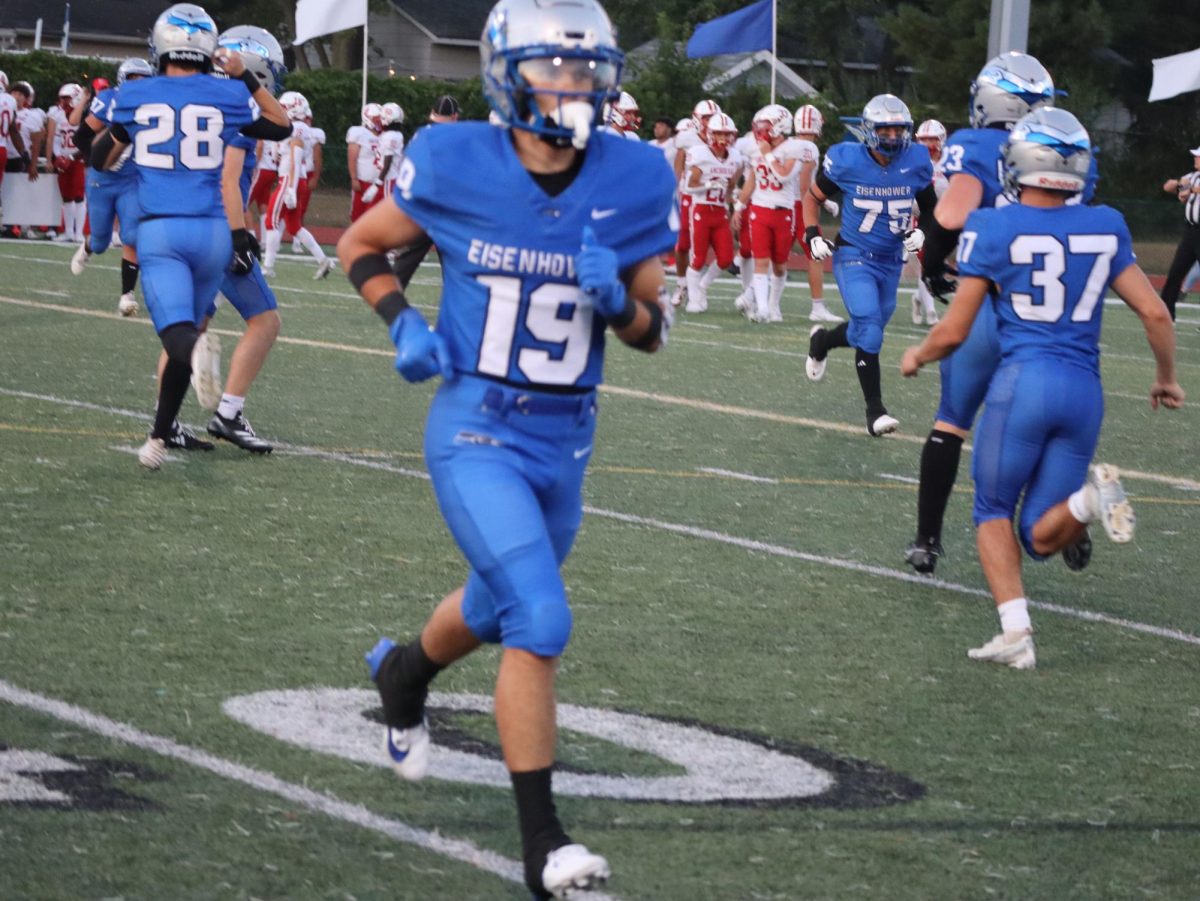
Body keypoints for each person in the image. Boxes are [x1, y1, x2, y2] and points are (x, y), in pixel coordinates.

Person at [337, 0, 676, 894]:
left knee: (495, 606)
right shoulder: (455, 159)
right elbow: (362, 243)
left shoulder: (637, 173)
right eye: (553, 68)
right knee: (541, 615)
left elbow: (652, 331)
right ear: (504, 72)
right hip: (476, 425)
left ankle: (403, 674)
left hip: (566, 441)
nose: (574, 86)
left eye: (586, 69)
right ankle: (545, 846)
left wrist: (623, 308)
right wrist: (401, 320)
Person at [900, 108, 1183, 669]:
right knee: (1039, 535)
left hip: (1022, 385)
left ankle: (1016, 633)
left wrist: (918, 354)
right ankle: (1090, 499)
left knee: (992, 509)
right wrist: (1166, 378)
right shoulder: (1106, 225)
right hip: (1084, 393)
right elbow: (1154, 313)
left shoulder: (994, 226)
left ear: (1019, 164)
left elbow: (955, 329)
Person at [92, 2, 290, 470]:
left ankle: (167, 427)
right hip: (215, 230)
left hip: (164, 225)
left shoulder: (142, 95)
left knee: (183, 330)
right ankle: (222, 414)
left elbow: (101, 156)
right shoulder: (229, 101)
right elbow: (250, 156)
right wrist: (240, 237)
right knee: (255, 321)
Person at [904, 51, 1056, 574]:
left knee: (951, 422)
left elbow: (951, 211)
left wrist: (931, 261)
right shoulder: (1064, 153)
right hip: (1046, 310)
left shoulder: (974, 144)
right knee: (1041, 421)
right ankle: (1066, 518)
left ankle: (926, 539)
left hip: (985, 305)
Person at [803, 93, 935, 435]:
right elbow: (812, 197)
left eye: (898, 131)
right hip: (854, 255)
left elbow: (932, 210)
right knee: (870, 325)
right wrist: (812, 235)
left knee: (867, 329)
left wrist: (924, 235)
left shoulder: (917, 160)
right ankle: (875, 411)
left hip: (892, 260)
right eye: (885, 130)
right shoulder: (846, 160)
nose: (892, 138)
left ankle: (822, 343)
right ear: (869, 130)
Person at [68, 57, 154, 316]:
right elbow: (81, 136)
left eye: (143, 79)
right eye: (134, 79)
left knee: (131, 236)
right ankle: (87, 246)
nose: (139, 84)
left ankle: (126, 296)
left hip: (131, 179)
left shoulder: (155, 105)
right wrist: (98, 161)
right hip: (101, 180)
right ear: (123, 80)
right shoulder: (109, 99)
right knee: (101, 240)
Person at [733, 104, 807, 323]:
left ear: (781, 126)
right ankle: (763, 309)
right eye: (760, 126)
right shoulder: (758, 148)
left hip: (783, 212)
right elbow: (751, 181)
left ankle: (774, 306)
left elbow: (784, 176)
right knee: (761, 261)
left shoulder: (793, 148)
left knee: (780, 264)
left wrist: (769, 156)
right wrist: (739, 207)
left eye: (766, 126)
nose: (761, 131)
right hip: (759, 210)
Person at [386, 94, 460, 289]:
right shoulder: (456, 136)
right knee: (453, 260)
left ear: (433, 113)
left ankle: (389, 294)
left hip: (421, 203)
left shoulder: (421, 133)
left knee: (409, 256)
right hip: (444, 206)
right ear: (454, 116)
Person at [261, 91, 333, 279]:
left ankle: (268, 267)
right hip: (294, 179)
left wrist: (290, 188)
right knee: (294, 226)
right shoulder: (297, 127)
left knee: (272, 220)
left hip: (290, 179)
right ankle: (323, 260)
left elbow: (296, 157)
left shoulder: (298, 128)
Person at [682, 111, 741, 312]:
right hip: (701, 210)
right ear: (710, 134)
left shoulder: (734, 157)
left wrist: (733, 200)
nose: (723, 138)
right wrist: (709, 184)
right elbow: (689, 187)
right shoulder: (700, 153)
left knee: (725, 258)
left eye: (726, 134)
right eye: (718, 134)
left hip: (720, 212)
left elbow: (732, 185)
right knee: (698, 258)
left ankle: (702, 286)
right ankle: (693, 300)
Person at [792, 103, 843, 323]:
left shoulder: (788, 144)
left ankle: (755, 298)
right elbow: (805, 185)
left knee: (772, 255)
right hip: (799, 205)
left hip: (781, 204)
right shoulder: (809, 149)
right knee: (817, 254)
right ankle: (817, 306)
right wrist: (822, 203)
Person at [671, 99, 721, 307]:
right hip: (689, 195)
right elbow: (678, 168)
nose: (710, 122)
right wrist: (674, 194)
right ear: (697, 119)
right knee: (683, 244)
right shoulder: (687, 139)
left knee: (702, 246)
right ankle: (682, 283)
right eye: (706, 118)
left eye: (712, 118)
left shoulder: (722, 137)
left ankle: (698, 289)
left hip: (710, 198)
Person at [908, 118, 948, 326]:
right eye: (923, 140)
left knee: (935, 266)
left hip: (944, 220)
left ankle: (918, 297)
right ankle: (931, 313)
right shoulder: (913, 163)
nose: (928, 145)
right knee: (925, 263)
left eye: (932, 140)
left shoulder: (950, 163)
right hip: (921, 218)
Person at [1158, 146, 1200, 321]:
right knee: (1176, 272)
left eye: (1197, 156)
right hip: (1190, 232)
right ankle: (1167, 312)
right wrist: (1176, 185)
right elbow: (1170, 188)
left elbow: (1194, 190)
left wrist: (1189, 189)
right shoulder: (1192, 177)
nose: (1195, 159)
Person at [46, 83, 87, 243]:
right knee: (66, 196)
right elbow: (56, 140)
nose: (64, 102)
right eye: (62, 98)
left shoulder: (84, 115)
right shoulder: (58, 115)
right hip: (64, 160)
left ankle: (79, 233)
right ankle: (69, 231)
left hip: (78, 160)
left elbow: (87, 143)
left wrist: (71, 158)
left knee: (79, 196)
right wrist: (58, 157)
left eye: (67, 98)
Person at [347, 103, 384, 222]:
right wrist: (354, 178)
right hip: (363, 182)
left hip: (379, 184)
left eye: (381, 119)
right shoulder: (359, 133)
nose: (380, 122)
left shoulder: (387, 136)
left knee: (375, 219)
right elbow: (352, 157)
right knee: (357, 217)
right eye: (376, 119)